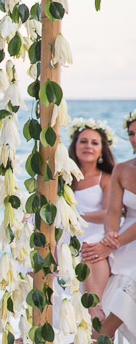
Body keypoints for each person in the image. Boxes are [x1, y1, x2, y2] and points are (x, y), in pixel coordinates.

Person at [85, 113, 136, 344]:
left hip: (130, 237)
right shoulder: (122, 169)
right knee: (92, 251)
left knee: (127, 273)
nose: (135, 138)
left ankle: (103, 335)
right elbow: (113, 211)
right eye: (132, 134)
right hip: (125, 233)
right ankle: (96, 319)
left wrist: (112, 244)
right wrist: (109, 234)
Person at [66, 120, 115, 330]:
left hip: (93, 234)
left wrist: (77, 215)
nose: (88, 146)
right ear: (74, 146)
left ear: (102, 149)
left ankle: (95, 311)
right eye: (83, 141)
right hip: (67, 236)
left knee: (90, 247)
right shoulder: (64, 177)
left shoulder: (106, 178)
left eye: (94, 143)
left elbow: (109, 213)